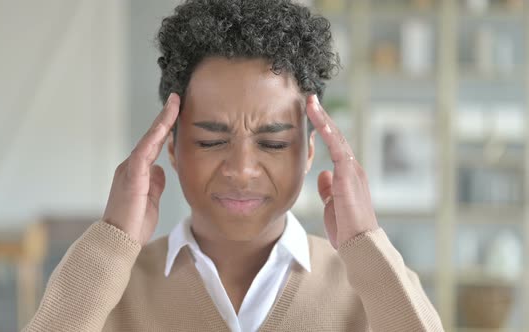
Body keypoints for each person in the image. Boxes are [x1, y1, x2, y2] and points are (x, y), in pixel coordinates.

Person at [23, 0, 444, 331]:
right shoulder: (108, 291)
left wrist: (366, 242)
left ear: (310, 150)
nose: (241, 170)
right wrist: (111, 240)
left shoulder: (367, 291)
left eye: (273, 142)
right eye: (211, 140)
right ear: (171, 148)